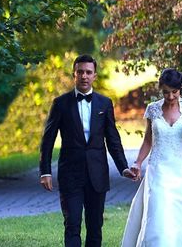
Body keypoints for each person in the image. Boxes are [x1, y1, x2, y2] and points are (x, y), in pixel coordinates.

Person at [40, 54, 137, 247]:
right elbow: (48, 140)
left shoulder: (104, 103)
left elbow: (113, 139)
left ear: (94, 76)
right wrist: (45, 172)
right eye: (80, 72)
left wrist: (123, 167)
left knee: (95, 227)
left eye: (88, 72)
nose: (84, 76)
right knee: (72, 224)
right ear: (74, 75)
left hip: (97, 175)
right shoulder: (60, 103)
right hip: (70, 174)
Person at [121, 68, 182, 246]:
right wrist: (138, 162)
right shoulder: (153, 109)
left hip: (181, 170)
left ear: (181, 89)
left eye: (174, 92)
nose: (171, 96)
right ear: (160, 89)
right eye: (166, 92)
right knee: (159, 212)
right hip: (158, 170)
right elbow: (148, 139)